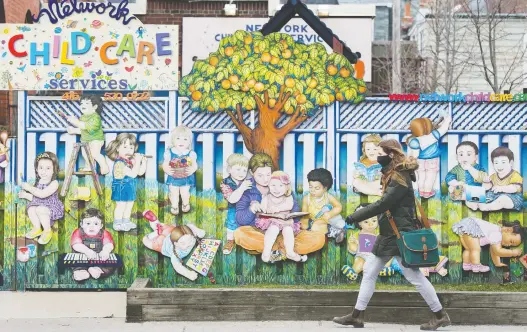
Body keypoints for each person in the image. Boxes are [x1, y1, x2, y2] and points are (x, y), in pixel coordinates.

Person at [333, 139, 450, 331]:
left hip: (398, 235)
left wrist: (354, 216)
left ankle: (440, 315)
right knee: (370, 272)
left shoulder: (398, 177)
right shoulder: (393, 174)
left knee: (414, 277)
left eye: (379, 151)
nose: (376, 155)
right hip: (390, 233)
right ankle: (356, 316)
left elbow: (383, 204)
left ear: (390, 154)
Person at [234, 153, 325, 259]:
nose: (265, 179)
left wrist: (292, 220)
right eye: (260, 175)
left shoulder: (280, 183)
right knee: (239, 234)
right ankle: (283, 250)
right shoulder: (247, 188)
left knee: (319, 238)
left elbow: (295, 209)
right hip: (261, 232)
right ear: (251, 173)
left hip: (286, 232)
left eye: (268, 174)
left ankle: (276, 250)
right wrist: (251, 209)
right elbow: (240, 219)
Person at [255, 171, 305, 262]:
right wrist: (264, 208)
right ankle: (266, 252)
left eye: (281, 186)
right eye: (273, 185)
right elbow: (263, 209)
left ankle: (290, 252)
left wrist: (276, 209)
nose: (276, 189)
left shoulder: (288, 197)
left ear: (286, 188)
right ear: (268, 186)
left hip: (285, 222)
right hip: (272, 221)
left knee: (288, 230)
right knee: (273, 229)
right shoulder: (266, 197)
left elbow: (289, 206)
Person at [142, 210, 205, 281]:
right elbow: (177, 266)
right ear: (175, 244)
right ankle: (155, 232)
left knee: (162, 227)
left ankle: (155, 223)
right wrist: (188, 274)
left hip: (170, 232)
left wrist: (199, 231)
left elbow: (190, 226)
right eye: (183, 243)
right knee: (147, 241)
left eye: (190, 240)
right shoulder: (175, 254)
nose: (188, 244)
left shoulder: (190, 235)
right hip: (161, 244)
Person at [19, 152, 64, 245]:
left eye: (48, 168)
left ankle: (47, 230)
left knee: (40, 209)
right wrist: (26, 195)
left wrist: (29, 188)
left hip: (51, 208)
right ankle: (37, 228)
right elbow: (37, 198)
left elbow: (42, 194)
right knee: (31, 208)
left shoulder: (54, 183)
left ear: (54, 170)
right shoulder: (39, 182)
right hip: (41, 205)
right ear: (36, 169)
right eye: (41, 168)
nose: (44, 171)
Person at [106, 133, 147, 231]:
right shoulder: (120, 163)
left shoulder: (130, 162)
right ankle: (117, 223)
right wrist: (137, 161)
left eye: (131, 148)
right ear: (117, 148)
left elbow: (140, 172)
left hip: (129, 187)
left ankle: (126, 222)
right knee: (121, 206)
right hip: (121, 187)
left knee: (129, 205)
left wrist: (143, 162)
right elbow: (133, 174)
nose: (128, 150)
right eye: (125, 147)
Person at [452, 218, 523, 272]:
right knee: (475, 249)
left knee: (469, 249)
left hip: (467, 225)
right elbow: (498, 251)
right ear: (508, 230)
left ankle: (466, 264)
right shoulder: (497, 234)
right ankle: (476, 266)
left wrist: (497, 263)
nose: (509, 245)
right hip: (472, 226)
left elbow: (493, 251)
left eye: (512, 245)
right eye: (511, 241)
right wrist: (513, 253)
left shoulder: (496, 236)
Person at [407, 114, 451, 198]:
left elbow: (415, 155)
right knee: (430, 177)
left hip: (420, 161)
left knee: (421, 177)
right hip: (432, 160)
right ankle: (427, 193)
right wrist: (447, 120)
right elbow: (444, 129)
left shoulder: (415, 141)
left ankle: (421, 192)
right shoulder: (433, 135)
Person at [468, 146, 523, 211]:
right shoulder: (493, 176)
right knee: (472, 195)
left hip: (512, 197)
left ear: (511, 163)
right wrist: (486, 182)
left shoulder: (515, 175)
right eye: (496, 163)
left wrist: (502, 188)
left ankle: (487, 207)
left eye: (503, 162)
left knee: (503, 199)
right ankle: (474, 205)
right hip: (495, 196)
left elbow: (515, 188)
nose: (499, 165)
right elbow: (487, 188)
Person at [66, 95, 109, 175]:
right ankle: (89, 166)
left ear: (94, 107)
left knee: (95, 154)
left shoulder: (96, 117)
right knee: (85, 154)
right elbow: (83, 130)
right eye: (82, 103)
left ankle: (104, 167)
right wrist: (74, 130)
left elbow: (87, 127)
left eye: (87, 103)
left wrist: (76, 122)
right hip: (86, 140)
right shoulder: (83, 117)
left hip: (96, 139)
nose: (83, 105)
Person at [70, 208, 115, 281]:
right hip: (82, 259)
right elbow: (76, 245)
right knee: (77, 263)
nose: (91, 226)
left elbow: (109, 244)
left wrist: (106, 250)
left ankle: (97, 270)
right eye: (88, 223)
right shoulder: (78, 232)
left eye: (96, 223)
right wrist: (87, 251)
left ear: (101, 225)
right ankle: (81, 272)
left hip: (99, 259)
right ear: (82, 224)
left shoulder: (104, 233)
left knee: (110, 264)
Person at [302, 168, 346, 243]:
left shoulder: (328, 197)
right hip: (313, 220)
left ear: (325, 188)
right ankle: (326, 232)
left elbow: (338, 207)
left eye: (317, 188)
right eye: (310, 187)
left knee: (317, 226)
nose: (312, 190)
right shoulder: (307, 199)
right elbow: (304, 214)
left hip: (327, 220)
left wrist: (330, 213)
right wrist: (304, 223)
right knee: (312, 226)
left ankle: (334, 231)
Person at [162, 126, 198, 215]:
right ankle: (174, 205)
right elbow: (165, 163)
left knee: (185, 192)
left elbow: (194, 164)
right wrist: (166, 169)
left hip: (185, 178)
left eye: (185, 139)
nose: (181, 142)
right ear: (173, 140)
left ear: (189, 142)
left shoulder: (191, 153)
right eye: (178, 138)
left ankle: (185, 204)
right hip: (173, 177)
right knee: (174, 193)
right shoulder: (169, 153)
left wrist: (193, 169)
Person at [220, 153, 251, 255]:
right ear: (229, 169)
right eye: (238, 169)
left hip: (247, 208)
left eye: (244, 170)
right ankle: (230, 241)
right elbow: (232, 199)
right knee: (232, 222)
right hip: (234, 207)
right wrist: (242, 188)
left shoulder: (248, 181)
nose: (241, 173)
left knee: (248, 223)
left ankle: (245, 241)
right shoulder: (225, 183)